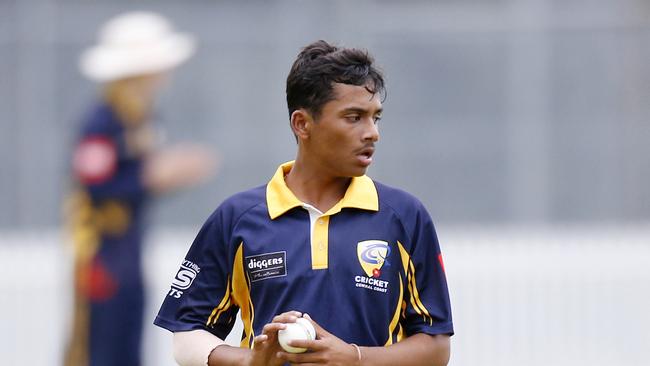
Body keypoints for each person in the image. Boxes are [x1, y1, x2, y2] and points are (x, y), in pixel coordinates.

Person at [154, 40, 453, 366]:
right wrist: (249, 362)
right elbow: (186, 335)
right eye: (354, 117)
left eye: (375, 118)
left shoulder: (404, 216)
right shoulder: (237, 219)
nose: (372, 133)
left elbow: (436, 349)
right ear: (302, 123)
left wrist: (354, 358)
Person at [64, 11, 216, 366]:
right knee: (100, 345)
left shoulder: (140, 117)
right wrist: (154, 176)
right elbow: (96, 186)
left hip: (129, 249)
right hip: (100, 252)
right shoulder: (102, 122)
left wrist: (165, 175)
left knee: (128, 340)